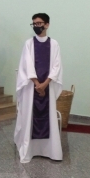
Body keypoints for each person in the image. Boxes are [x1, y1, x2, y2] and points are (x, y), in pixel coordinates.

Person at [13, 13, 63, 163]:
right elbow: (26, 65)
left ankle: (50, 151)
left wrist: (45, 84)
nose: (36, 26)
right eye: (34, 23)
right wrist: (37, 84)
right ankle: (30, 150)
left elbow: (56, 66)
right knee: (30, 116)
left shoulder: (54, 44)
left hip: (47, 85)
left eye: (39, 23)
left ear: (47, 25)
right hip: (31, 88)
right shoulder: (29, 44)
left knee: (48, 117)